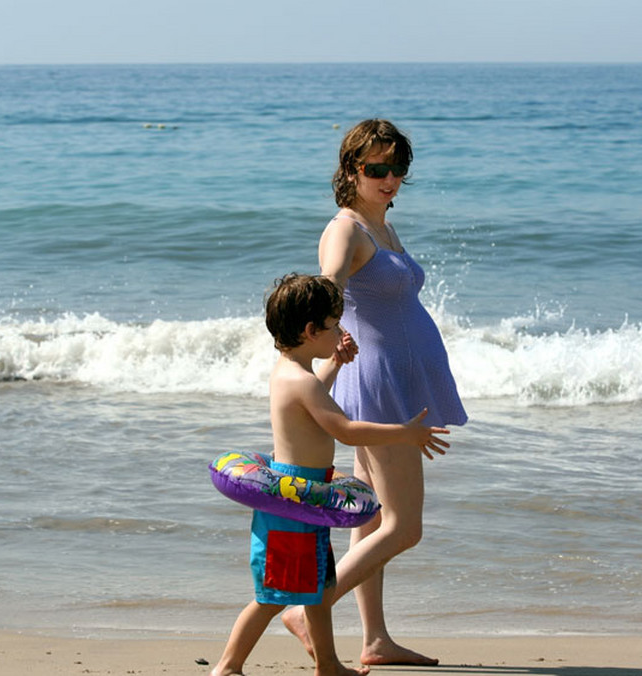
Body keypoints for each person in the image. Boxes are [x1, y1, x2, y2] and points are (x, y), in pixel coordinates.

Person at [282, 119, 468, 667]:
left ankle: (375, 639)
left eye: (397, 169)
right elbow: (326, 293)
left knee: (369, 515)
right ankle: (307, 608)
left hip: (397, 380)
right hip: (381, 385)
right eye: (377, 169)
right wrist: (325, 348)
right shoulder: (346, 230)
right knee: (403, 526)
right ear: (350, 172)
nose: (389, 179)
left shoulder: (378, 226)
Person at [211, 273, 450, 676]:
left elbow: (315, 400)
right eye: (334, 324)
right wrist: (404, 433)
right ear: (310, 330)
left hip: (305, 501)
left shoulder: (291, 371)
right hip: (291, 506)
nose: (341, 330)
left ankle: (328, 665)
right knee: (272, 597)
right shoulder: (299, 381)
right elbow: (344, 428)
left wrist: (335, 364)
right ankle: (227, 666)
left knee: (320, 592)